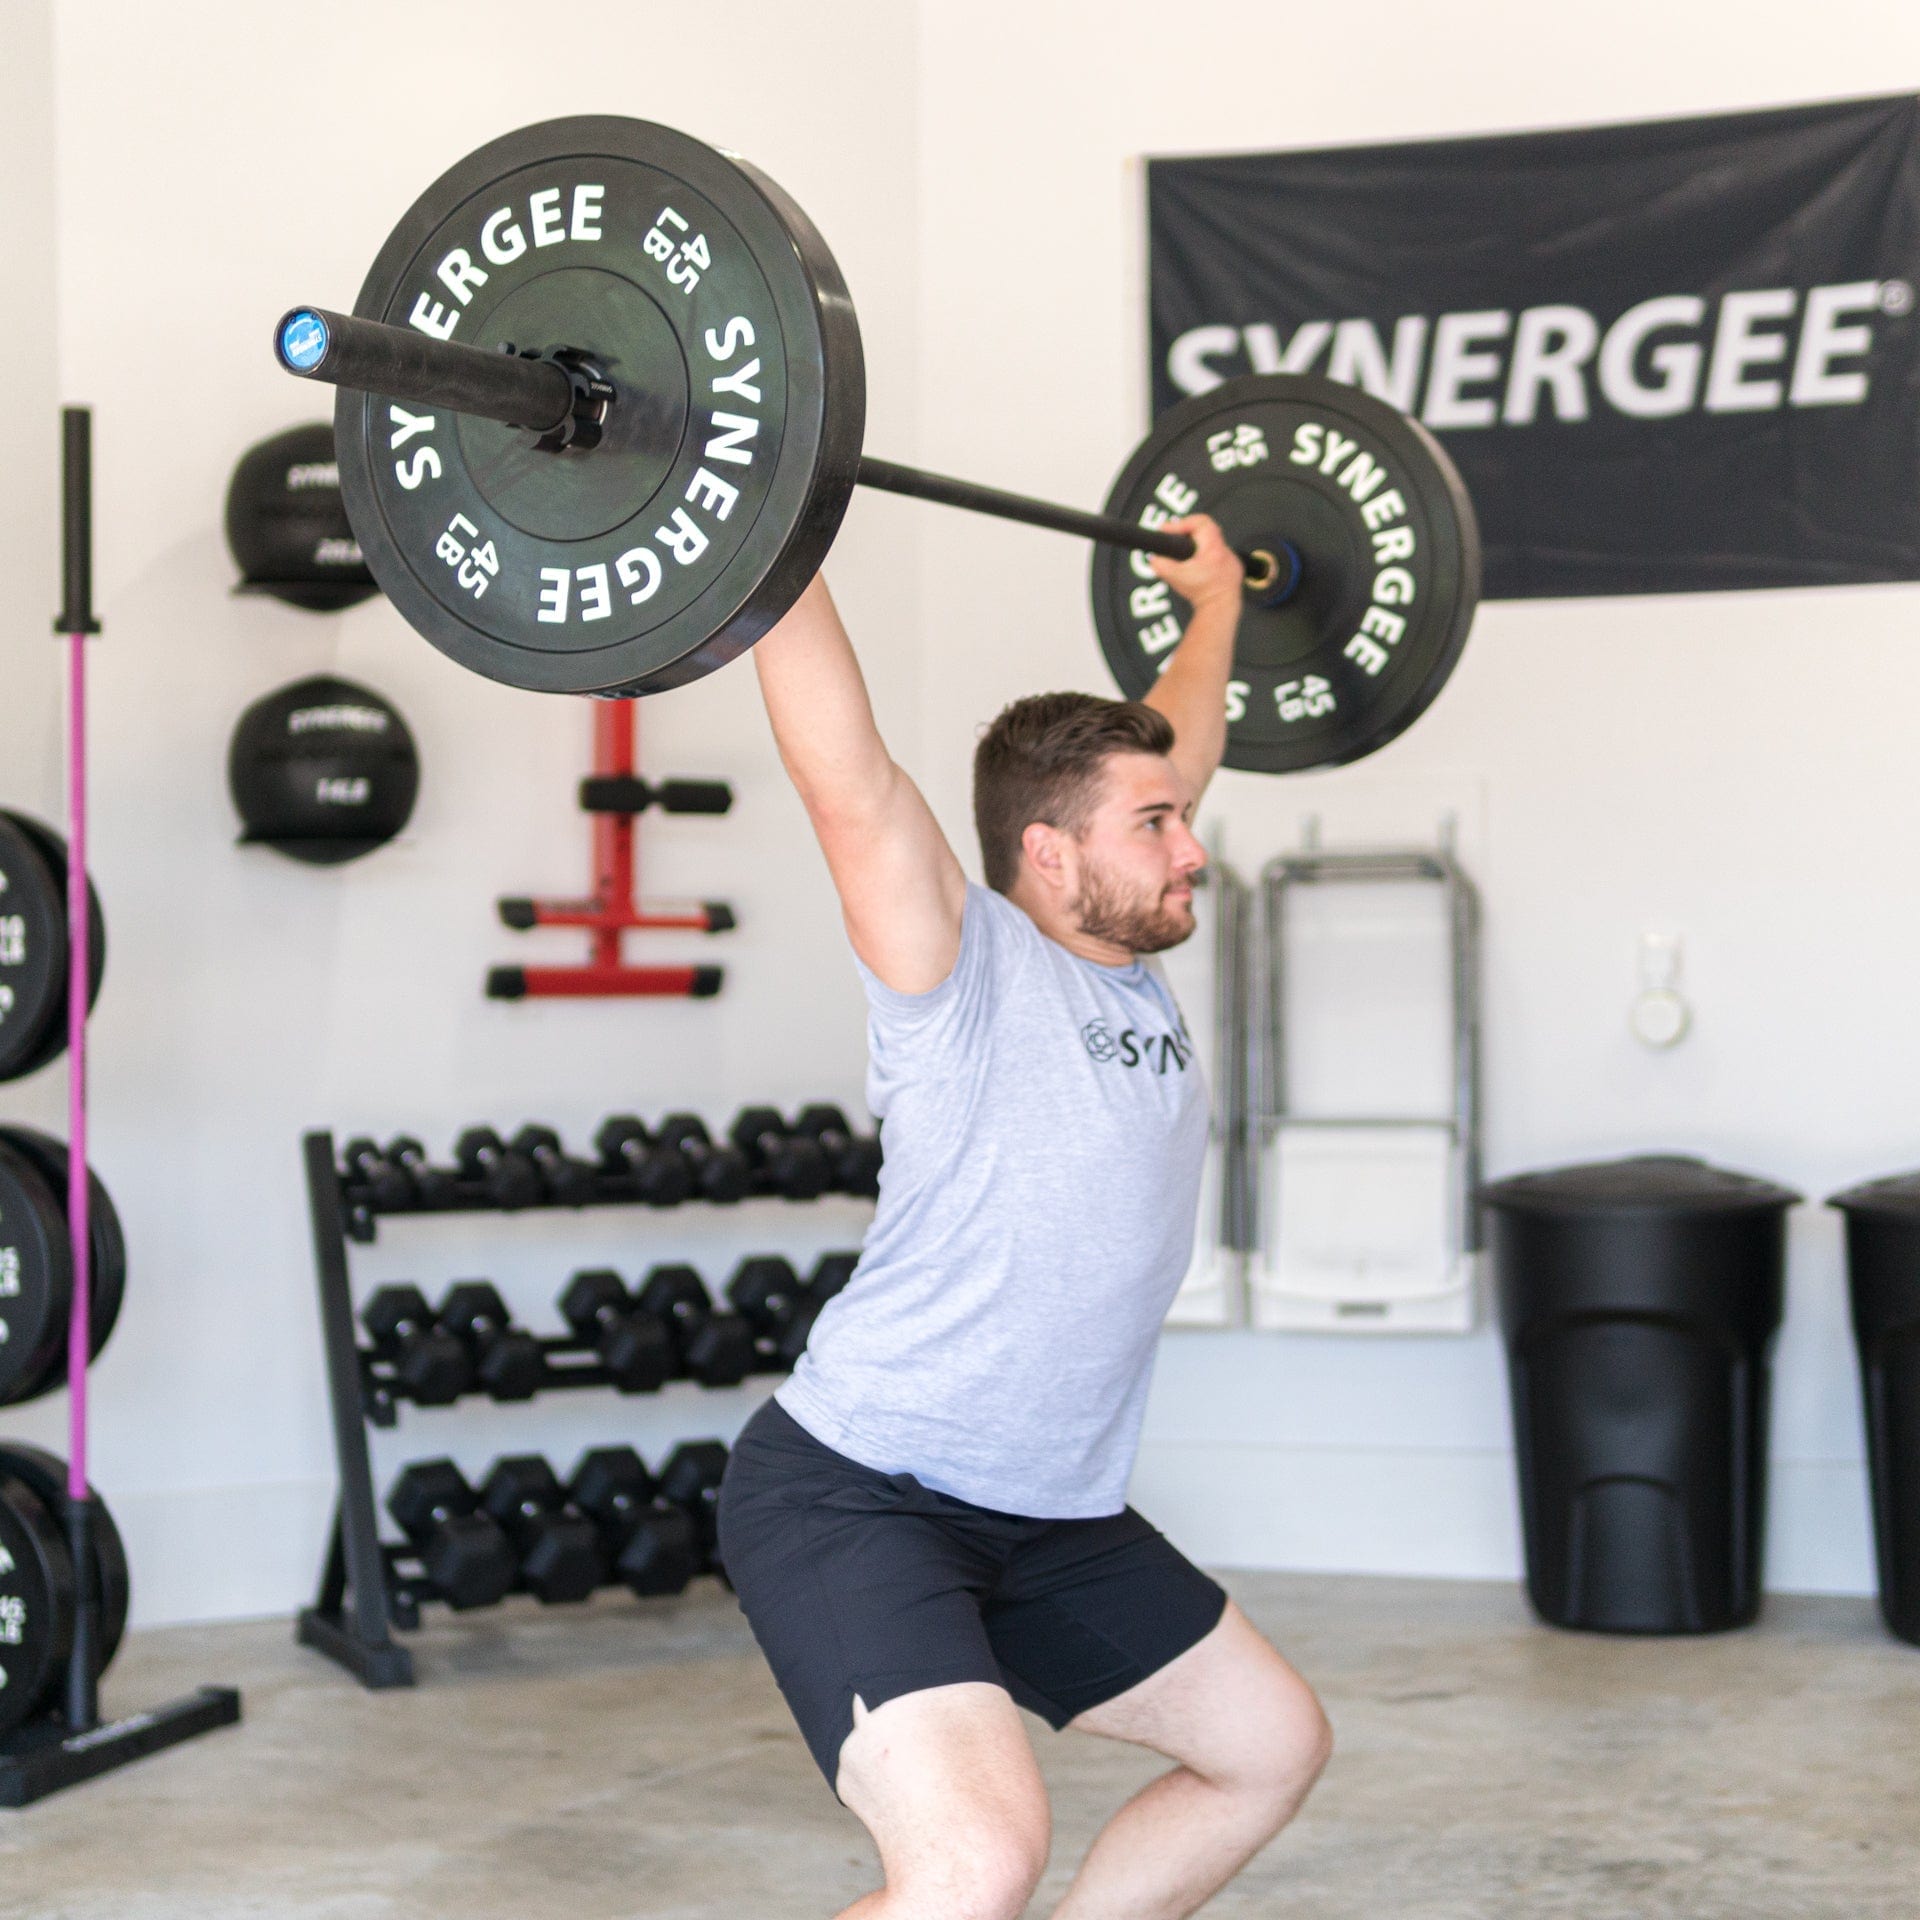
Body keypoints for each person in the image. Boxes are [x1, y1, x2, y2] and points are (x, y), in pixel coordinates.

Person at [717, 515, 1332, 1920]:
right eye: (1159, 826)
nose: (1192, 849)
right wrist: (765, 527)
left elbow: (1176, 732)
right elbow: (849, 782)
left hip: (1051, 1514)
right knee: (972, 1869)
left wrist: (1218, 604)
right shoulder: (965, 971)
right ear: (1048, 854)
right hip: (860, 1495)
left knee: (1267, 1748)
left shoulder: (1121, 952)